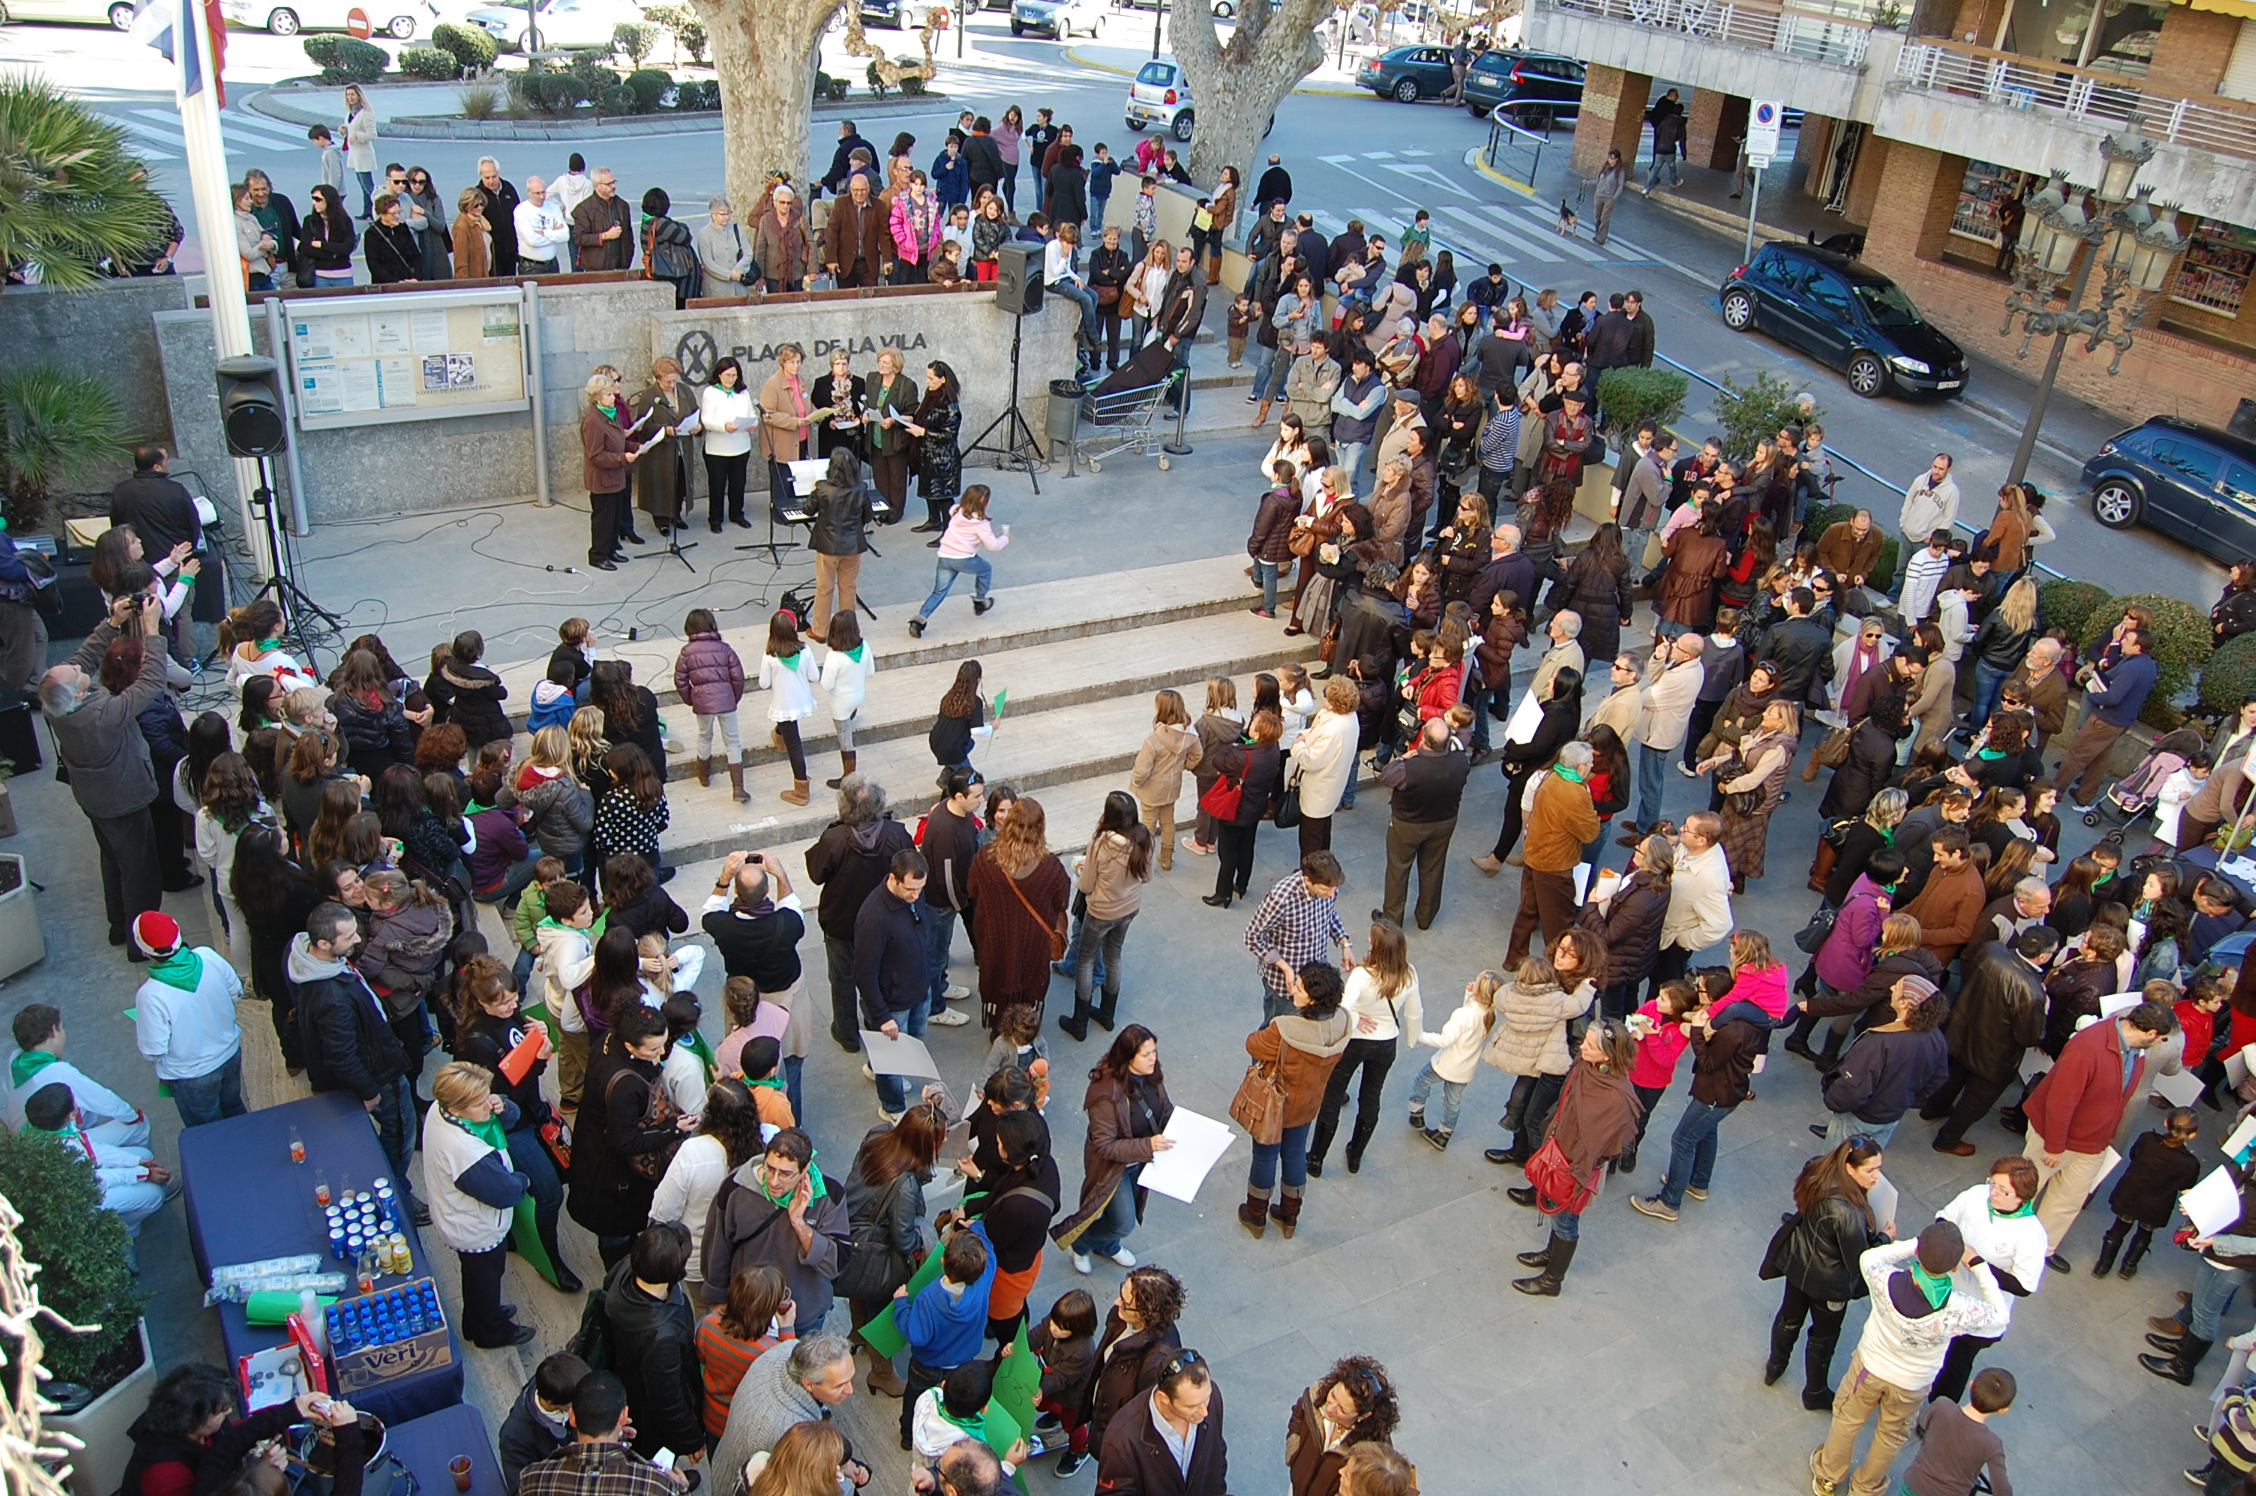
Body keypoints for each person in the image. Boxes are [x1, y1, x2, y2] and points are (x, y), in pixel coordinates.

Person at [1808, 1222, 2008, 1496]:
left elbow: (1869, 1257)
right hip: (1913, 1383)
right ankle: (1865, 1488)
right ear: (1954, 1268)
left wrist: (1916, 1244)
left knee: (1847, 1419)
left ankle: (1828, 1477)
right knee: (1890, 1436)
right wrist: (1977, 1263)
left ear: (1918, 1253)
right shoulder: (1959, 1308)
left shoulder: (1883, 1278)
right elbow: (2000, 1317)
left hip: (1869, 1367)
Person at [41, 596, 168, 955]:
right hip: (124, 798)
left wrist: (112, 623)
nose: (80, 668)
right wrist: (152, 631)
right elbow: (150, 682)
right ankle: (142, 941)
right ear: (81, 691)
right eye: (79, 676)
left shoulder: (55, 706)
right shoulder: (103, 714)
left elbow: (75, 662)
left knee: (112, 859)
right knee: (139, 870)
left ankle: (119, 925)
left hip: (93, 797)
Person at [290, 902, 426, 1223]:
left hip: (375, 1056)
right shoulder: (332, 999)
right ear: (324, 943)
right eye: (348, 936)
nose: (357, 941)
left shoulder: (313, 961)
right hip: (378, 1075)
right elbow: (341, 1055)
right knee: (399, 1133)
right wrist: (369, 1090)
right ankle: (395, 1191)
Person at [2021, 999, 2176, 1267]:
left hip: (2093, 1143)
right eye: (2161, 1039)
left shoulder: (2135, 1049)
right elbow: (2061, 1100)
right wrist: (2055, 1145)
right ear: (2151, 1034)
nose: (2161, 1043)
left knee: (2068, 1200)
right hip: (2056, 1138)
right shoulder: (2089, 1046)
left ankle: (2042, 1250)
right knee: (2024, 1189)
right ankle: (2001, 1236)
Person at [1506, 1018, 1645, 1295]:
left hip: (1577, 1167)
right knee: (1559, 1217)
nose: (1583, 1049)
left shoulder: (1617, 1097)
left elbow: (1611, 1142)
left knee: (1567, 1222)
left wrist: (1578, 1166)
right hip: (1561, 1152)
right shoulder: (1589, 1067)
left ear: (1608, 1055)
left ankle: (1552, 1280)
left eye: (1591, 1046)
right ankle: (1549, 1253)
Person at [1767, 1137, 1893, 1411]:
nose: (1876, 1177)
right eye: (1870, 1170)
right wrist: (1884, 1238)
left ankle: (1775, 1366)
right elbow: (1859, 1260)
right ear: (1849, 1168)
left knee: (1788, 1318)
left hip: (1799, 1264)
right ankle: (1815, 1391)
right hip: (1829, 1284)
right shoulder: (1848, 1214)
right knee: (1823, 1337)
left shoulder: (1817, 1171)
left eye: (1878, 1168)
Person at [421, 1059, 537, 1348]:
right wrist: (523, 1180)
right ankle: (490, 1331)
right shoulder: (464, 1151)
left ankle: (476, 1319)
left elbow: (505, 1118)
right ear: (458, 1108)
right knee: (485, 1279)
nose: (488, 1106)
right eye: (479, 1103)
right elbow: (505, 1192)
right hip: (475, 1229)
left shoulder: (442, 1109)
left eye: (488, 1096)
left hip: (460, 1219)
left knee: (475, 1278)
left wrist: (501, 1105)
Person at [1629, 985, 1761, 1222]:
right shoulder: (1738, 1025)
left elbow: (1707, 1061)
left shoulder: (1728, 1032)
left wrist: (1697, 1032)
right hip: (1722, 1093)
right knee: (1707, 1132)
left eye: (1701, 990)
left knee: (1682, 1141)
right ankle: (1698, 1182)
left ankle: (1669, 1202)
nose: (1698, 1002)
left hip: (1714, 1095)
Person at [1240, 963, 1352, 1240]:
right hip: (1309, 1101)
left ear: (1312, 999)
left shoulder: (1285, 1028)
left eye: (1299, 988)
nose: (1293, 989)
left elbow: (1253, 1044)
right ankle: (1289, 1215)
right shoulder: (1343, 1021)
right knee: (1294, 1153)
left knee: (1265, 1157)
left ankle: (1256, 1215)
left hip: (1275, 1103)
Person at [807, 775, 915, 1054]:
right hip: (883, 925)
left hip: (841, 924)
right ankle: (875, 1027)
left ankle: (847, 1034)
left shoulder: (833, 838)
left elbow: (816, 874)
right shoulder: (896, 834)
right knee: (876, 978)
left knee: (842, 979)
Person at [1931, 1156, 2046, 1405]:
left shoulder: (2030, 1233)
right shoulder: (1976, 1195)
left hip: (1978, 1310)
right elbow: (1944, 1218)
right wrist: (1950, 1248)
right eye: (1993, 1183)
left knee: (1956, 1364)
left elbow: (2024, 1285)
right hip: (1944, 1291)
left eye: (2004, 1191)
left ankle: (1939, 1410)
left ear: (2022, 1197)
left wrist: (1976, 1263)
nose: (1994, 1193)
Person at [129, 911, 245, 1127]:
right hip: (230, 1055)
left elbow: (154, 1051)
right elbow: (236, 993)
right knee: (235, 1110)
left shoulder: (150, 995)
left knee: (206, 1132)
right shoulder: (208, 956)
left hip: (192, 1076)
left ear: (144, 951)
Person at [967, 798, 1070, 1034]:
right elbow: (1060, 902)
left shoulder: (984, 858)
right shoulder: (1051, 867)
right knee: (1027, 982)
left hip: (994, 937)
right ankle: (1022, 1029)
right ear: (1040, 827)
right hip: (1032, 942)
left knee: (997, 975)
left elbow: (972, 890)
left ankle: (998, 1028)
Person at [1061, 794, 1153, 1041]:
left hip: (1101, 911)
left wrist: (1080, 871)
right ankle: (1107, 1015)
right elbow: (1147, 877)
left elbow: (1087, 884)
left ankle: (1079, 1023)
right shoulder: (1143, 838)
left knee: (1086, 960)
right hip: (1129, 908)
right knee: (1113, 957)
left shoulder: (1101, 843)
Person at [710, 1334, 857, 1488]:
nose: (850, 1390)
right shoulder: (788, 1431)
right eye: (839, 1386)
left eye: (850, 1379)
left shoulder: (788, 1350)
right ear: (808, 1384)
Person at [1818, 974, 1948, 1146]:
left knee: (1835, 1163)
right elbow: (1939, 1076)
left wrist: (1833, 1099)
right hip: (1891, 1116)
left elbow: (1853, 1090)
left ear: (1904, 1003)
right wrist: (1906, 1099)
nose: (1892, 988)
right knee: (1865, 1162)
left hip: (1860, 1117)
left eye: (1898, 987)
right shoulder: (1936, 1037)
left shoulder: (1878, 1043)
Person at [1504, 740, 1601, 966]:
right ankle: (1558, 969)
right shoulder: (1575, 794)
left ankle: (1514, 957)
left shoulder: (1550, 778)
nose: (1592, 766)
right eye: (1590, 762)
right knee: (1559, 922)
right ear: (1580, 768)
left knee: (1528, 911)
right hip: (1555, 866)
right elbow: (1590, 833)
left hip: (1535, 856)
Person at [854, 846, 935, 1116]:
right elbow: (864, 973)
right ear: (893, 879)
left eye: (920, 889)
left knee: (912, 1040)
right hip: (893, 1002)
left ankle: (874, 1066)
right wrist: (882, 1016)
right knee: (891, 1058)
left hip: (918, 989)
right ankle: (892, 1107)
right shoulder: (874, 918)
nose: (916, 895)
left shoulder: (912, 897)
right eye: (910, 889)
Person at [517, 1374, 687, 1496]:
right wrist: (682, 1491)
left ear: (573, 1417)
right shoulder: (658, 1486)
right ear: (623, 1415)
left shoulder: (532, 1479)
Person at [1096, 1352, 1228, 1496]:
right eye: (1191, 1406)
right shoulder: (1122, 1440)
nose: (1204, 1412)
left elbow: (1217, 1450)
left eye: (1206, 1398)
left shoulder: (1211, 1398)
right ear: (1164, 1398)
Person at [2094, 1105, 2202, 1279]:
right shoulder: (2191, 1163)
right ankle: (2128, 1267)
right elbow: (2186, 1186)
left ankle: (2102, 1266)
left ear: (2166, 1122)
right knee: (2144, 1235)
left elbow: (2133, 1155)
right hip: (2157, 1206)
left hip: (2130, 1195)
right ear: (2193, 1135)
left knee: (2117, 1229)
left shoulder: (2147, 1139)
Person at [1204, 712, 1289, 913]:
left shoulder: (1242, 755)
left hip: (1236, 808)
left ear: (1258, 734)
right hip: (1256, 806)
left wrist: (1235, 747)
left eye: (1254, 724)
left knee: (1228, 852)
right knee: (1247, 845)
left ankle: (1223, 893)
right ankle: (1241, 884)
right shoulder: (1273, 748)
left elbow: (1219, 761)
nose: (1250, 725)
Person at [1283, 1356, 1399, 1496]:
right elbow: (1298, 1415)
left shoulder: (1373, 1449)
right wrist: (1294, 1455)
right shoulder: (1315, 1395)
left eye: (1343, 1410)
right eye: (1333, 1395)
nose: (1330, 1408)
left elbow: (1366, 1487)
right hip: (1297, 1488)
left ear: (1363, 1416)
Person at [910, 484, 1009, 638]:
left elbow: (951, 509)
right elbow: (993, 545)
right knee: (985, 569)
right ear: (983, 503)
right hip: (964, 558)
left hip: (945, 556)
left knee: (939, 592)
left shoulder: (957, 510)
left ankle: (919, 620)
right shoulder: (981, 523)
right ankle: (980, 600)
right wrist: (1005, 538)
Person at [581, 369, 649, 571]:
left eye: (612, 393)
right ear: (596, 397)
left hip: (617, 475)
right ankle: (598, 555)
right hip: (603, 479)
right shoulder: (593, 421)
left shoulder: (612, 413)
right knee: (603, 517)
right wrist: (622, 458)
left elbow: (619, 440)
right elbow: (596, 455)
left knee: (615, 516)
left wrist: (635, 447)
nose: (613, 397)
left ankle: (610, 550)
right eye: (608, 394)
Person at [501, 1354, 593, 1494]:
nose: (585, 1405)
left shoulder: (562, 1388)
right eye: (576, 1403)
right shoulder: (514, 1437)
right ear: (552, 1402)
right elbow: (521, 1489)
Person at [903, 362, 964, 535]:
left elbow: (948, 436)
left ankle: (948, 531)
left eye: (931, 378)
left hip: (943, 459)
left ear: (942, 379)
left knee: (943, 496)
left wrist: (923, 432)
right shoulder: (930, 395)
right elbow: (925, 416)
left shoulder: (950, 405)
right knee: (930, 490)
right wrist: (911, 418)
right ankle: (933, 520)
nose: (927, 381)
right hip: (927, 454)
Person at [700, 357, 756, 533]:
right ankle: (715, 518)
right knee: (717, 485)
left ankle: (737, 514)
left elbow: (751, 413)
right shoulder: (710, 392)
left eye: (734, 375)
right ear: (719, 374)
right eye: (727, 375)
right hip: (717, 448)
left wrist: (753, 424)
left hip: (740, 446)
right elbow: (706, 420)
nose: (730, 379)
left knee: (738, 483)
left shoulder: (743, 393)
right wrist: (724, 427)